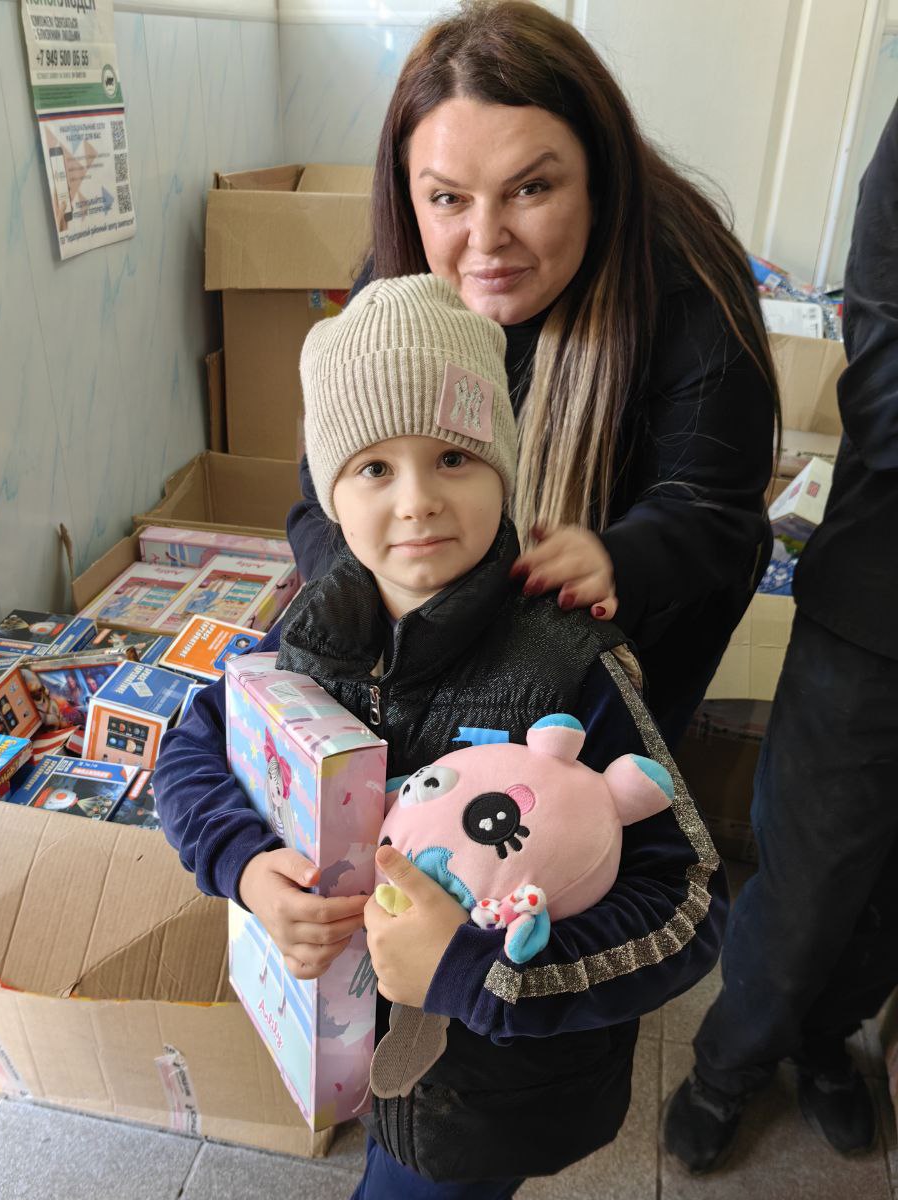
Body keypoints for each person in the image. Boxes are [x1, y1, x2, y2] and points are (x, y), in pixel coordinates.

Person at [156, 274, 727, 1200]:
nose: (417, 501)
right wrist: (247, 869)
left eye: (454, 457)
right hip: (366, 1043)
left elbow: (686, 902)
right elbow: (198, 740)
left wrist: (475, 970)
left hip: (502, 1075)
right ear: (329, 489)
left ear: (503, 467)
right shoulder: (312, 629)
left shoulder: (569, 662)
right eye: (373, 466)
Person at [286, 0, 779, 748]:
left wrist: (617, 560)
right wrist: (356, 590)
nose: (486, 241)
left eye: (531, 189)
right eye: (448, 198)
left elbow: (714, 513)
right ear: (408, 195)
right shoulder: (394, 292)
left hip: (622, 631)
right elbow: (322, 488)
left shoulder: (692, 296)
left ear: (598, 179)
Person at [663, 101, 898, 1173]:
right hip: (880, 603)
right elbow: (884, 350)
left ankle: (822, 1036)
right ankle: (730, 1061)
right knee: (808, 877)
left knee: (890, 892)